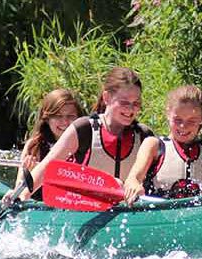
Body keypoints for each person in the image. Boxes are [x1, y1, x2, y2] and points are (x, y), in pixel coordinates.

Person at [24, 67, 155, 198]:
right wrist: (22, 196)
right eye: (124, 102)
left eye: (136, 103)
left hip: (130, 215)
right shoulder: (84, 129)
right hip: (84, 214)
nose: (131, 109)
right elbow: (46, 168)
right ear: (107, 97)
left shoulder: (144, 135)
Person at [123, 85, 202, 203]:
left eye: (191, 121)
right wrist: (134, 185)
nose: (183, 126)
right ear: (168, 114)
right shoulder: (153, 145)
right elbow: (133, 179)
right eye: (178, 120)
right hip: (162, 216)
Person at [3, 88, 83, 202]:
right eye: (58, 116)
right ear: (47, 118)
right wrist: (28, 172)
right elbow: (18, 187)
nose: (65, 122)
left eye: (71, 116)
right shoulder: (34, 145)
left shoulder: (87, 142)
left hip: (74, 204)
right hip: (39, 204)